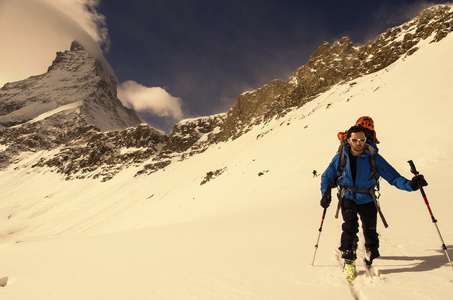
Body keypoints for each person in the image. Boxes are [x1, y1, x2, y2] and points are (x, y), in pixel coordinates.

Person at [320, 124, 427, 274]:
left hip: (367, 198)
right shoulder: (341, 157)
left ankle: (372, 254)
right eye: (355, 140)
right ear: (349, 140)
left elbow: (393, 177)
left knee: (370, 230)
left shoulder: (373, 157)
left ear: (366, 139)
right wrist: (325, 193)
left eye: (362, 139)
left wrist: (411, 185)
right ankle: (349, 259)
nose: (359, 143)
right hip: (348, 196)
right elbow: (327, 176)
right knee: (349, 227)